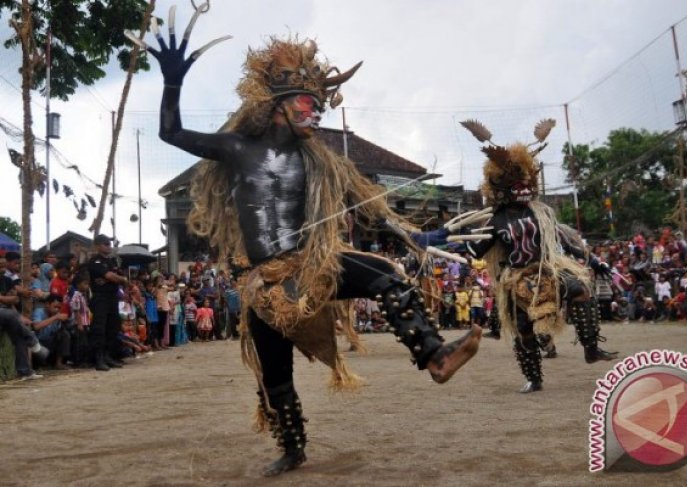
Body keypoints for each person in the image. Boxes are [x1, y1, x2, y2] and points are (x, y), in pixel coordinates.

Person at [128, 6, 480, 476]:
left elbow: (371, 204)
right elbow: (169, 131)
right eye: (308, 105)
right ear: (279, 105)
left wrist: (415, 234)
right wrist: (172, 82)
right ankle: (292, 448)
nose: (316, 113)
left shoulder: (321, 160)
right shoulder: (236, 149)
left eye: (318, 105)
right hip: (265, 283)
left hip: (311, 265)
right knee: (274, 376)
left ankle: (435, 357)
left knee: (384, 274)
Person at [447, 118, 617, 392]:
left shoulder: (541, 213)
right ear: (502, 187)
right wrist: (450, 244)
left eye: (527, 179)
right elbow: (476, 250)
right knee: (523, 329)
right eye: (517, 181)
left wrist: (595, 262)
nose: (525, 186)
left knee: (581, 289)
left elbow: (567, 243)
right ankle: (534, 378)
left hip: (546, 270)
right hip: (516, 279)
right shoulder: (495, 221)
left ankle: (591, 347)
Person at [87, 234, 127, 371]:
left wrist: (116, 279)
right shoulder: (95, 261)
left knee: (113, 327)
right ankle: (98, 359)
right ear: (98, 245)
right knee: (99, 329)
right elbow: (111, 276)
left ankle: (108, 356)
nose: (109, 246)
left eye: (109, 243)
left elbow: (118, 276)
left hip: (112, 296)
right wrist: (116, 279)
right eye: (105, 244)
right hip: (100, 298)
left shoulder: (111, 261)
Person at [31, 294, 71, 370]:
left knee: (64, 334)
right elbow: (36, 327)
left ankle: (58, 363)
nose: (57, 310)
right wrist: (55, 317)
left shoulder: (57, 316)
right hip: (38, 343)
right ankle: (40, 364)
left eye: (59, 308)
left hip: (49, 344)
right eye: (55, 307)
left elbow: (58, 334)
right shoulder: (39, 311)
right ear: (47, 304)